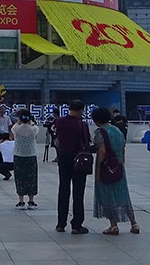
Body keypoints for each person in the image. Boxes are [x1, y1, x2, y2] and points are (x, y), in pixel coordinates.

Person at [92, 107, 139, 236]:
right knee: (123, 195)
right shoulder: (117, 130)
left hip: (106, 168)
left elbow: (102, 152)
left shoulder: (100, 132)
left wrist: (98, 172)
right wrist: (121, 164)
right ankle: (134, 223)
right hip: (118, 167)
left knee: (108, 196)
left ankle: (113, 226)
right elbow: (123, 149)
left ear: (97, 120)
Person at [55, 100, 91, 234]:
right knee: (78, 193)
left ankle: (61, 223)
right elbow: (86, 142)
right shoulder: (82, 124)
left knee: (63, 190)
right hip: (78, 160)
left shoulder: (59, 121)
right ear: (81, 110)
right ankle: (76, 225)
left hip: (63, 158)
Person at [11, 109, 39, 209]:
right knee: (32, 178)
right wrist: (31, 123)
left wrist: (19, 122)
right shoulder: (34, 129)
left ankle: (21, 201)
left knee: (20, 178)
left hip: (19, 155)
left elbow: (14, 128)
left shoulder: (16, 128)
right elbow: (34, 129)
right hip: (31, 155)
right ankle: (31, 201)